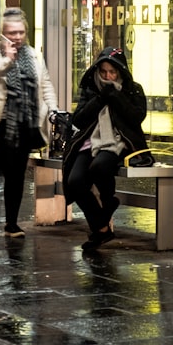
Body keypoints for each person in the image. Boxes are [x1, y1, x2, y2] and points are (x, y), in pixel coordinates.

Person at [0, 7, 58, 237]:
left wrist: (53, 110)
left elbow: (45, 84)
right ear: (2, 33)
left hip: (24, 123)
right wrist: (7, 61)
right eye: (12, 32)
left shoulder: (34, 55)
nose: (17, 37)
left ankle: (12, 223)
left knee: (16, 174)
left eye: (21, 32)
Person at [62, 47, 151, 252]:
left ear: (120, 71)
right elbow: (79, 119)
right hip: (90, 142)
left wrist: (115, 97)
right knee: (74, 181)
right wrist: (101, 98)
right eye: (104, 72)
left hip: (118, 142)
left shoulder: (132, 89)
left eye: (112, 72)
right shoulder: (91, 88)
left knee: (99, 167)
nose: (108, 76)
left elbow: (136, 117)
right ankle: (102, 226)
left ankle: (103, 215)